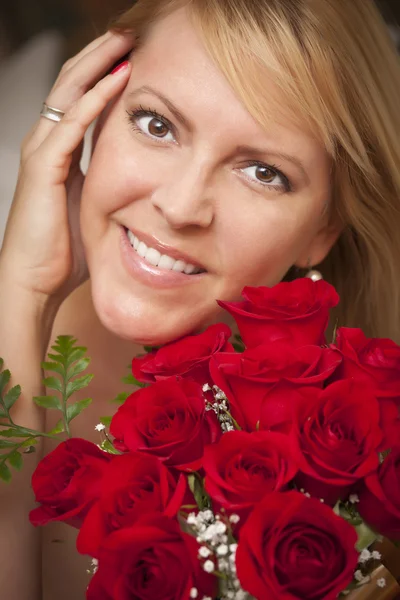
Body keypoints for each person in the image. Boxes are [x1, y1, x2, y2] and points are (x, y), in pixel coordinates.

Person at [0, 0, 399, 598]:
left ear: (323, 231)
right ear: (92, 118)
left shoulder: (351, 477)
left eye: (263, 171)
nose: (182, 207)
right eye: (157, 125)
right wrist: (23, 291)